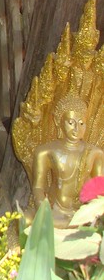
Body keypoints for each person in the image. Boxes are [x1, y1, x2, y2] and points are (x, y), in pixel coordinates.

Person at [31, 92, 104, 227]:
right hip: (55, 211)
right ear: (59, 122)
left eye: (81, 123)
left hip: (83, 214)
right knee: (26, 220)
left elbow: (100, 190)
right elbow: (38, 187)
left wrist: (94, 211)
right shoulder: (46, 151)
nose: (77, 129)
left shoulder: (95, 153)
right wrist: (43, 210)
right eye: (71, 123)